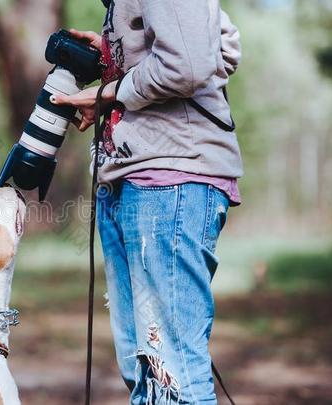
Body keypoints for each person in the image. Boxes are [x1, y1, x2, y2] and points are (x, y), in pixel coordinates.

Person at [52, 0, 243, 404]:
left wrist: (111, 92)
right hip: (128, 177)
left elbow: (189, 65)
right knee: (146, 375)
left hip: (171, 179)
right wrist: (114, 58)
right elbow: (217, 43)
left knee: (172, 376)